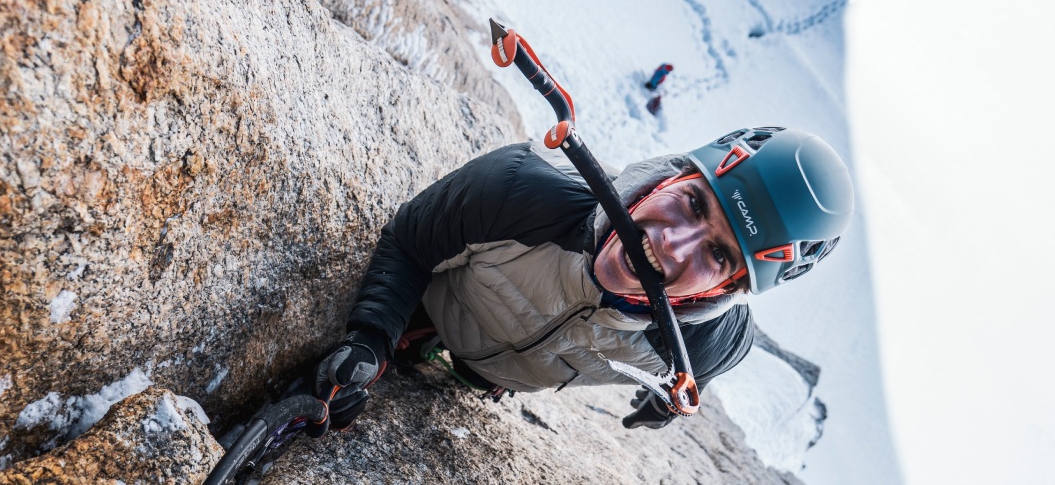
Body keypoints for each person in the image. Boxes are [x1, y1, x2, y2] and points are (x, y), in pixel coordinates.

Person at [306, 126, 854, 434]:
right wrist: (372, 337)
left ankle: (468, 368)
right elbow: (411, 241)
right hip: (435, 303)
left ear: (726, 290)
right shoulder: (523, 190)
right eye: (693, 203)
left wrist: (665, 404)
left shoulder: (703, 342)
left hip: (491, 374)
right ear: (673, 176)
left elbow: (706, 370)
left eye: (717, 254)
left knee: (474, 373)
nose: (672, 244)